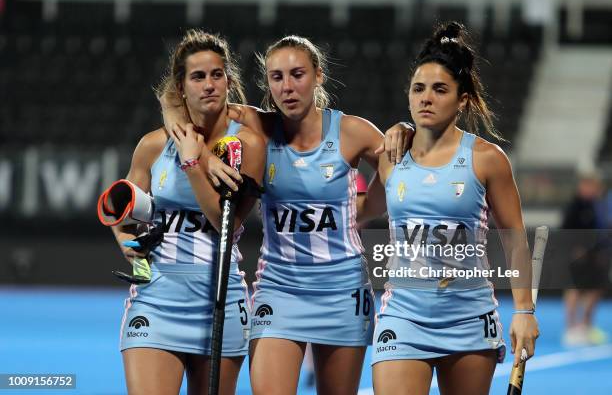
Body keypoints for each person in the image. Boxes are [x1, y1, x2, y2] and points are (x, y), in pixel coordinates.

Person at [161, 35, 413, 395]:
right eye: (277, 77)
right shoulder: (259, 127)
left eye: (298, 74)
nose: (288, 87)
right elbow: (177, 101)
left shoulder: (351, 132)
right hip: (279, 288)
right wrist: (179, 123)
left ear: (319, 76)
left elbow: (398, 174)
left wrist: (405, 130)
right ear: (267, 83)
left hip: (342, 290)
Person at [372, 22, 539, 395]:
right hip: (403, 314)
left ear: (462, 99)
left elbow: (515, 240)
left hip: (468, 317)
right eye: (418, 89)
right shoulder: (390, 155)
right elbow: (360, 210)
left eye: (440, 89)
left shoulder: (487, 159)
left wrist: (524, 312)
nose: (426, 98)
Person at [112, 29, 264, 395]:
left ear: (229, 79)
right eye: (198, 76)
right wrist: (136, 257)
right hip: (157, 299)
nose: (209, 84)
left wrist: (194, 161)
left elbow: (223, 222)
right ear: (181, 88)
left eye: (217, 74)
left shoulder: (247, 144)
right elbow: (123, 211)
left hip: (220, 298)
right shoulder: (152, 146)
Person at [562, 172, 609, 346]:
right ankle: (571, 327)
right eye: (590, 186)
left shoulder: (599, 205)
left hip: (597, 255)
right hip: (579, 256)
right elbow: (566, 229)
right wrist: (576, 248)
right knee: (575, 288)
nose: (594, 189)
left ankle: (586, 325)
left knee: (596, 289)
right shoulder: (575, 206)